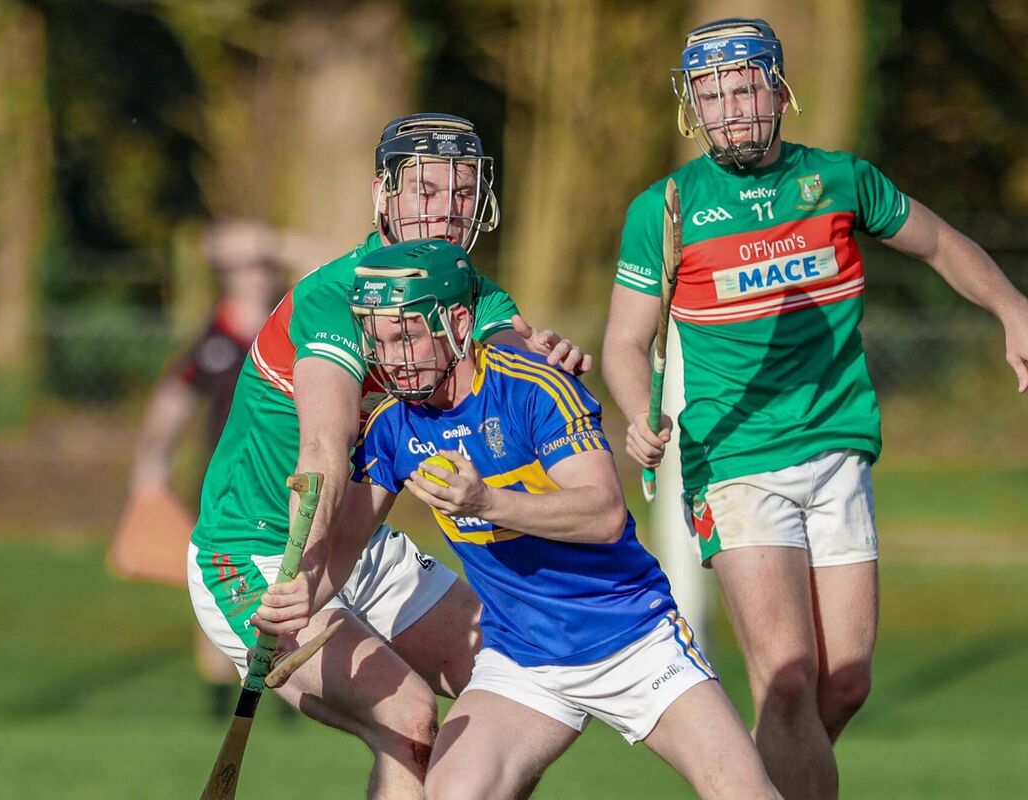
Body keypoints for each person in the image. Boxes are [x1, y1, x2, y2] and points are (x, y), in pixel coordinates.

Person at [600, 18, 1028, 800]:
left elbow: (939, 245)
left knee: (846, 685)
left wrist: (1012, 310)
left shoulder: (839, 179)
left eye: (740, 87)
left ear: (777, 88)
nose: (727, 107)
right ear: (691, 105)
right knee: (789, 683)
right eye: (710, 93)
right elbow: (626, 343)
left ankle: (742, 782)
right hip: (733, 463)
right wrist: (639, 414)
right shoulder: (666, 207)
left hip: (837, 453)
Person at [261, 238, 782, 799]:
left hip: (631, 637)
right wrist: (301, 599)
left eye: (407, 334)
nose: (392, 357)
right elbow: (345, 547)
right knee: (453, 793)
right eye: (377, 338)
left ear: (457, 320)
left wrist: (485, 502)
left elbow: (604, 513)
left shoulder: (533, 386)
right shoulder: (392, 425)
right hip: (522, 660)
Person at [189, 113, 591, 798]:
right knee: (407, 717)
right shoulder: (331, 299)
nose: (447, 212)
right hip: (265, 552)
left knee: (524, 685)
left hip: (366, 543)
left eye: (463, 194)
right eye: (427, 191)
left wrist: (554, 366)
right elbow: (323, 444)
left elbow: (523, 373)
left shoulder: (473, 297)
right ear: (384, 196)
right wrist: (302, 584)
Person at [129, 220, 285, 717]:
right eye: (242, 267)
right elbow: (172, 402)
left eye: (259, 265)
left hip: (288, 478)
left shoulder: (292, 321)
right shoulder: (213, 336)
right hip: (224, 484)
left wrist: (271, 240)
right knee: (221, 581)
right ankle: (222, 699)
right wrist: (150, 462)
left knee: (293, 582)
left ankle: (291, 692)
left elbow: (344, 263)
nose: (253, 276)